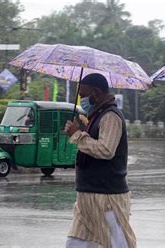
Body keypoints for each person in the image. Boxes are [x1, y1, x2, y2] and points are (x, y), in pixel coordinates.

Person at [64, 73, 136, 248]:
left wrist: (77, 135)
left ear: (95, 92)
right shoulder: (95, 115)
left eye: (83, 94)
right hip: (87, 196)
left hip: (107, 197)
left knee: (116, 242)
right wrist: (79, 131)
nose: (81, 99)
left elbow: (106, 150)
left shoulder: (111, 116)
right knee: (76, 242)